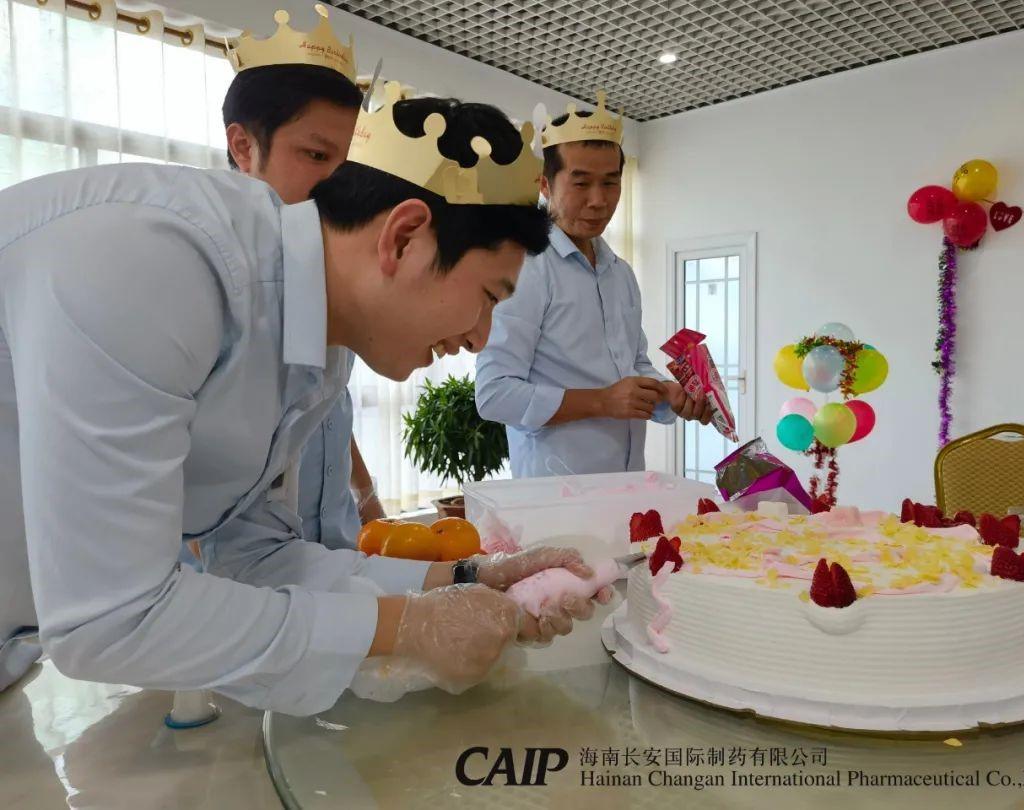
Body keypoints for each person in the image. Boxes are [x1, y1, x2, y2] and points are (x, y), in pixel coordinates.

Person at [0, 53, 612, 709]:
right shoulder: (154, 263)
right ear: (404, 237)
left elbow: (254, 555)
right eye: (489, 297)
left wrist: (465, 578)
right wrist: (405, 627)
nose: (481, 338)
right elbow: (112, 620)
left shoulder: (323, 338)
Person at [475, 91, 712, 478]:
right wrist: (602, 401)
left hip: (626, 482)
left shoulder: (620, 273)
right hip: (555, 491)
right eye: (581, 183)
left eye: (611, 183)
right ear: (545, 185)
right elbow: (494, 394)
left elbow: (634, 365)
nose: (599, 200)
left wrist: (667, 392)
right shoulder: (526, 267)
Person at [221, 5, 383, 555]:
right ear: (244, 147)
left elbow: (324, 403)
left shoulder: (331, 259)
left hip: (332, 540)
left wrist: (366, 495)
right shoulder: (215, 281)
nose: (339, 183)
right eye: (315, 154)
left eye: (349, 162)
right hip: (237, 568)